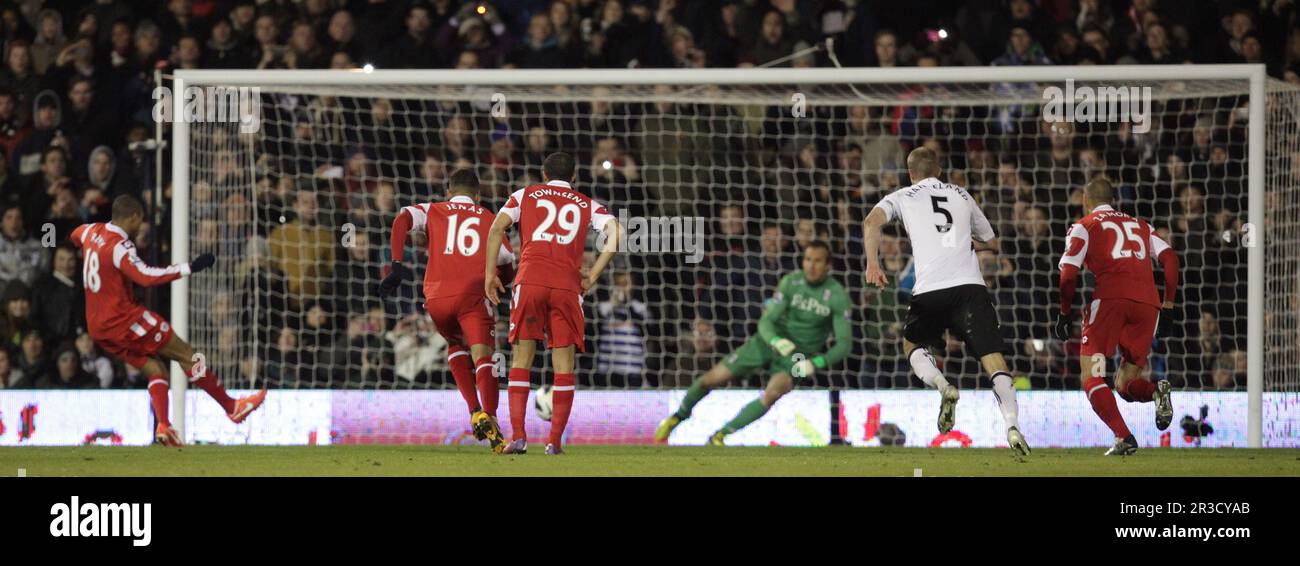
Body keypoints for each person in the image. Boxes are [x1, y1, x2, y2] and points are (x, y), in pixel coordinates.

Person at [862, 147, 1030, 455]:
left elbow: (871, 222)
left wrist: (873, 264)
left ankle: (943, 386)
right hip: (970, 286)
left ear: (910, 173)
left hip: (930, 288)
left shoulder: (903, 195)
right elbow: (988, 238)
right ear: (939, 170)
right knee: (992, 356)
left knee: (912, 345)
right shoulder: (962, 194)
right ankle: (1012, 424)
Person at [70, 195, 266, 446]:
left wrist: (55, 240)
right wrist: (190, 268)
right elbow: (146, 276)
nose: (141, 227)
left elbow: (74, 234)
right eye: (140, 221)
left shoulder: (90, 231)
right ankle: (232, 407)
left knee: (155, 369)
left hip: (98, 327)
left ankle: (164, 426)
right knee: (186, 354)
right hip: (124, 319)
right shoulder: (120, 246)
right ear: (133, 217)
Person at [484, 152, 622, 455]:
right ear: (573, 178)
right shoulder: (587, 204)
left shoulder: (525, 194)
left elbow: (496, 229)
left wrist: (489, 274)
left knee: (521, 359)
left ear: (543, 175)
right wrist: (594, 274)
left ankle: (518, 437)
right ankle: (554, 442)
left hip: (529, 280)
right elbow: (617, 232)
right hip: (566, 286)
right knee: (564, 366)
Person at [654, 241, 852, 446]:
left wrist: (815, 363)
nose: (811, 265)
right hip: (768, 342)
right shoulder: (791, 282)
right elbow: (766, 321)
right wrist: (775, 340)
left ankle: (720, 435)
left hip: (798, 356)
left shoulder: (837, 295)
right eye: (807, 259)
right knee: (711, 379)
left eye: (817, 261)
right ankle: (677, 417)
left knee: (773, 393)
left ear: (828, 265)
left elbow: (845, 344)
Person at [381, 168, 516, 453]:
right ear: (477, 196)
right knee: (484, 356)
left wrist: (396, 264)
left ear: (449, 193)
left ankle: (474, 411)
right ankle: (492, 425)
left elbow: (401, 218)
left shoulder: (434, 210)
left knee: (455, 345)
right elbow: (507, 260)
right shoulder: (490, 219)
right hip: (471, 296)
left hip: (436, 297)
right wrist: (498, 282)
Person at [1054, 176, 1180, 456]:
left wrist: (1064, 312)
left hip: (1110, 300)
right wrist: (1168, 305)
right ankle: (1156, 392)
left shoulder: (1083, 226)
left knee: (1092, 376)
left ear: (1087, 202)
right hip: (1148, 305)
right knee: (1124, 384)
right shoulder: (1141, 225)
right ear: (1112, 200)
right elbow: (1171, 258)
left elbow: (1067, 275)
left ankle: (1123, 436)